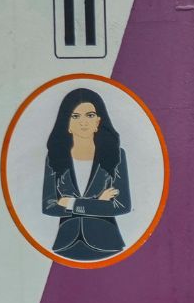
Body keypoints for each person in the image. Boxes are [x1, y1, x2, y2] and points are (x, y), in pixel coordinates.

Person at [41, 87, 131, 261]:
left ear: (98, 121)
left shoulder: (117, 155)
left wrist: (72, 203)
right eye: (75, 116)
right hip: (65, 245)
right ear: (66, 122)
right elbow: (48, 207)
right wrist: (98, 203)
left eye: (90, 115)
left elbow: (122, 205)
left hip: (107, 244)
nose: (83, 122)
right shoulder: (54, 156)